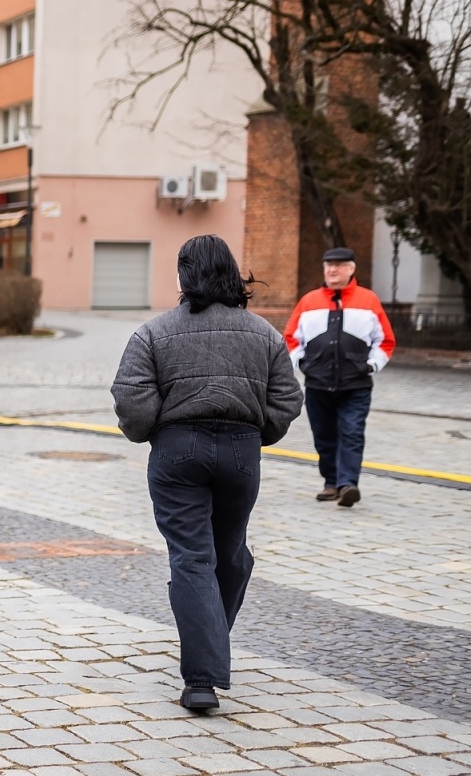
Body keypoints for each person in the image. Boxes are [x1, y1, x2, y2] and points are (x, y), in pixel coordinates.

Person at [112, 235, 302, 713]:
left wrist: (155, 429)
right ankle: (210, 644)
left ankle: (201, 678)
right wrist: (259, 434)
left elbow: (131, 398)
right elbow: (287, 399)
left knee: (194, 558)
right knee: (230, 553)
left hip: (178, 452)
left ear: (184, 275)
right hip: (241, 451)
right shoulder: (264, 334)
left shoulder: (153, 332)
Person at [283, 246, 396, 507]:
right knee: (323, 434)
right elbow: (290, 339)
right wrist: (301, 362)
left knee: (352, 432)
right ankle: (331, 482)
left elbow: (385, 341)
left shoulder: (369, 301)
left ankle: (347, 484)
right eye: (328, 265)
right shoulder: (308, 302)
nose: (333, 269)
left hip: (356, 384)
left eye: (340, 265)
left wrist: (371, 366)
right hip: (317, 383)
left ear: (351, 269)